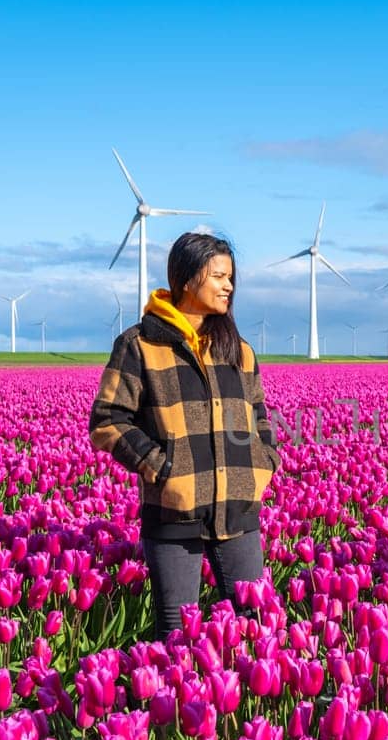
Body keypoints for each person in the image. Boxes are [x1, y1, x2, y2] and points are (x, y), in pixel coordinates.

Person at [89, 231, 279, 640]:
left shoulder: (238, 349)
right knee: (177, 636)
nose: (229, 285)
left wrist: (264, 461)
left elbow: (259, 413)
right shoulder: (140, 345)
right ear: (188, 279)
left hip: (239, 509)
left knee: (254, 631)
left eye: (231, 277)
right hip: (175, 511)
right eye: (218, 276)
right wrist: (162, 468)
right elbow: (107, 420)